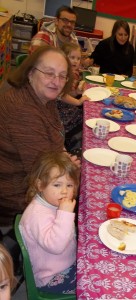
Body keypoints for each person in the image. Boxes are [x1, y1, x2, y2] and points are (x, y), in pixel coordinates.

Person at [0, 46, 80, 227]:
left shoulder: (42, 97)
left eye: (62, 75)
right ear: (30, 73)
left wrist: (63, 156)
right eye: (49, 73)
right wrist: (68, 166)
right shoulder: (21, 110)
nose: (56, 81)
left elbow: (55, 137)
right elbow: (46, 176)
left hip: (40, 175)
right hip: (18, 196)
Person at [20, 151, 80, 294]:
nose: (64, 191)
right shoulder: (37, 215)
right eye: (57, 185)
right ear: (40, 185)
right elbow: (56, 246)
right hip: (51, 276)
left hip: (64, 263)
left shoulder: (51, 203)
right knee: (94, 282)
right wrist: (65, 214)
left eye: (70, 185)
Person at [58, 43, 90, 152]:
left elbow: (65, 93)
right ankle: (73, 145)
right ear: (63, 57)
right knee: (84, 118)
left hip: (65, 106)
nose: (75, 61)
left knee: (85, 116)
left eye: (78, 58)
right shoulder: (63, 73)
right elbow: (61, 95)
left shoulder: (71, 73)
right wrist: (78, 101)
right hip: (60, 111)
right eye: (72, 57)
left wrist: (76, 92)